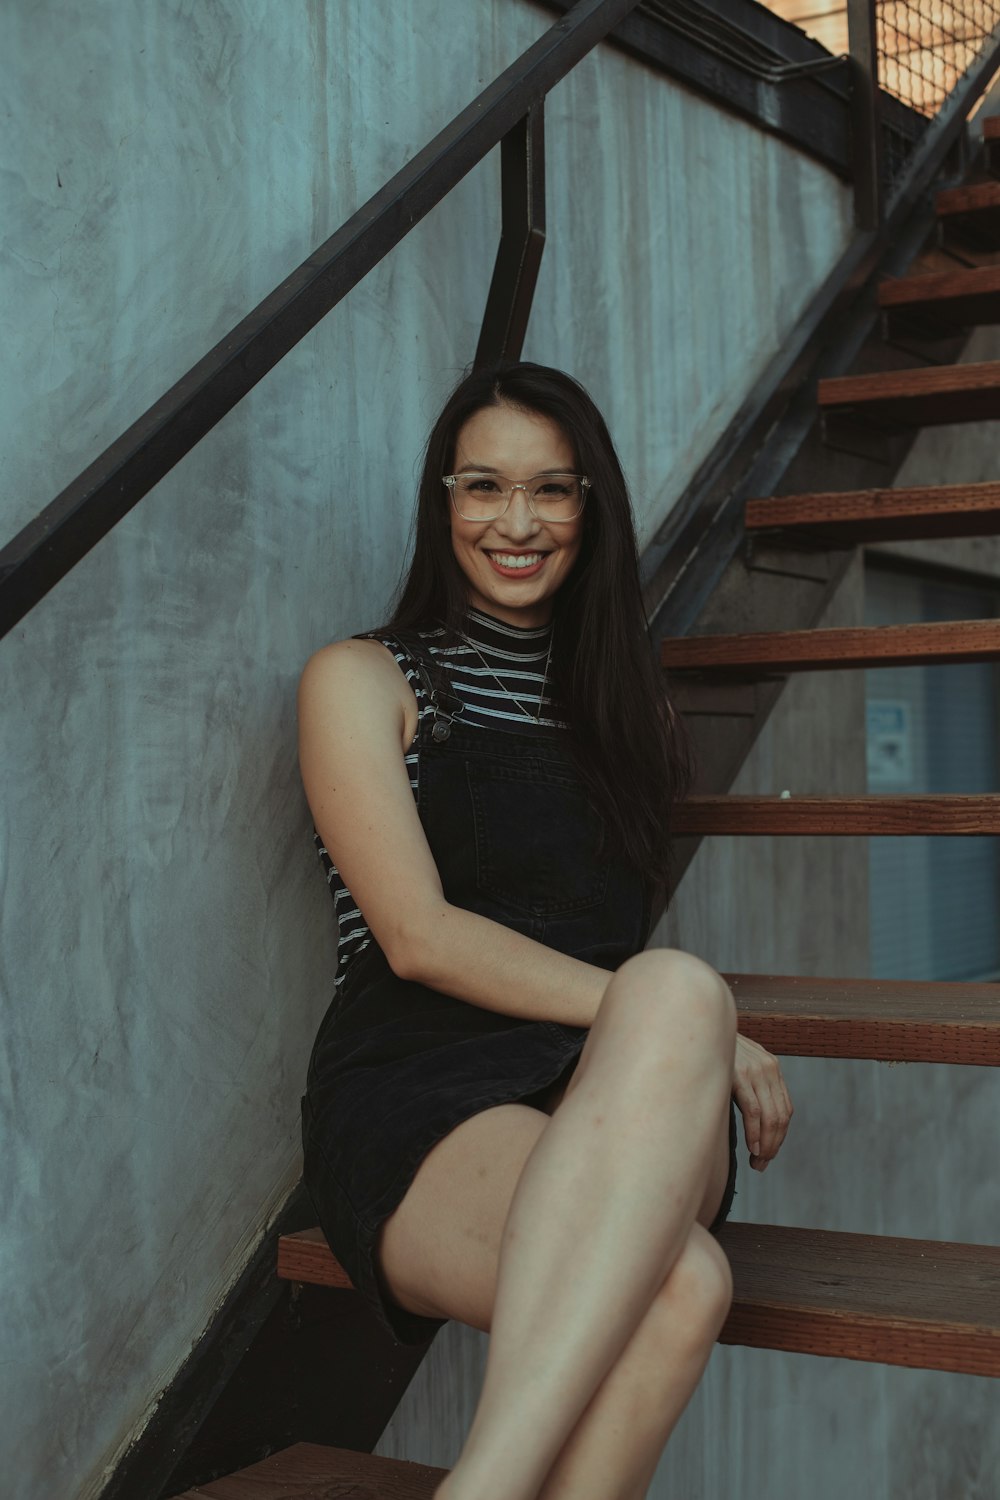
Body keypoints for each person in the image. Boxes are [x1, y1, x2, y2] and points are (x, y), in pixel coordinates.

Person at [297, 362, 793, 1500]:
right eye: (483, 487)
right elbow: (416, 938)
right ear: (443, 501)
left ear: (591, 507)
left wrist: (673, 1025)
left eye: (550, 491)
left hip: (617, 1092)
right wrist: (698, 1023)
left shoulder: (629, 710)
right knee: (684, 1291)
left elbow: (637, 995)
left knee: (670, 989)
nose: (515, 524)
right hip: (418, 1080)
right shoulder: (361, 678)